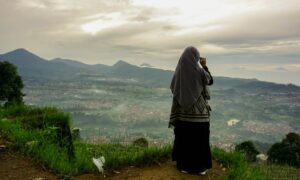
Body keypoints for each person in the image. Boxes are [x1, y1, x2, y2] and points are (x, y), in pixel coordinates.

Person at [169, 46, 213, 175]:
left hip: (182, 113)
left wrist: (185, 96)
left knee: (184, 139)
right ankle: (200, 168)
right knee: (200, 140)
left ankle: (184, 166)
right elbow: (209, 80)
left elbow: (173, 88)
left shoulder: (178, 72)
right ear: (196, 57)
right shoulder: (199, 71)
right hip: (199, 114)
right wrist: (204, 66)